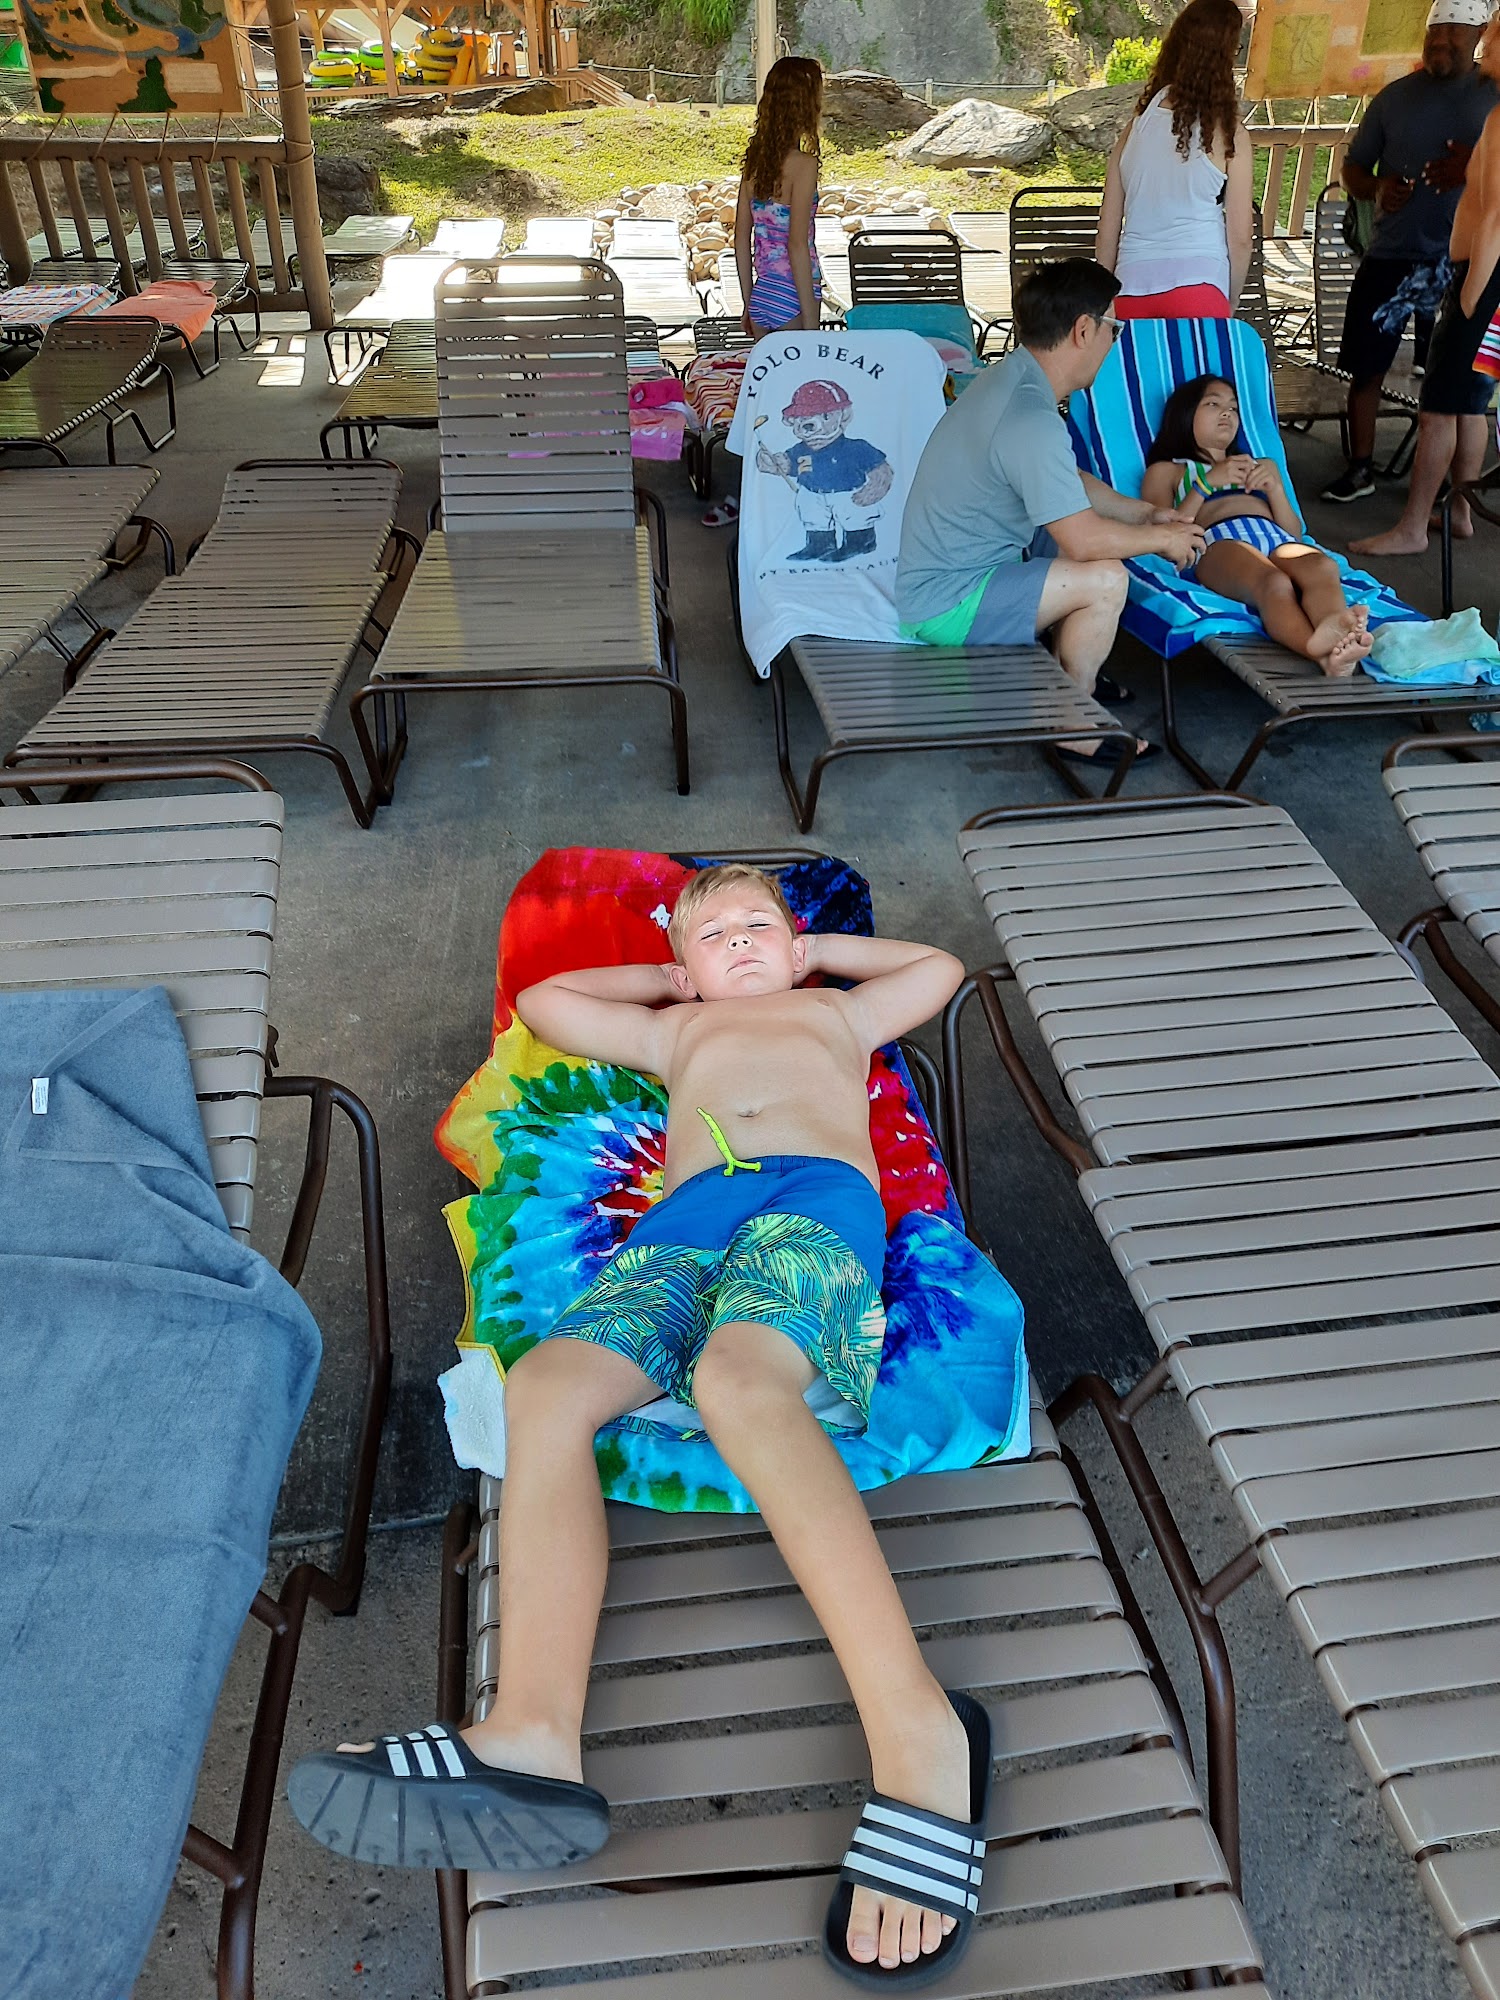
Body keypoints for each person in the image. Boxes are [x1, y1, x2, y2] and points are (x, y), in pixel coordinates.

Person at [288, 865, 990, 1984]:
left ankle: (921, 1735)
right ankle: (532, 1731)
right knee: (546, 1389)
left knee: (739, 1382)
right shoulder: (677, 1031)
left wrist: (817, 957)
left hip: (814, 1202)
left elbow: (938, 969)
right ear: (684, 967)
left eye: (762, 923)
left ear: (798, 946)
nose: (742, 938)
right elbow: (548, 1003)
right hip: (684, 1222)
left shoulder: (836, 1014)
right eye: (716, 933)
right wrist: (667, 981)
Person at [895, 257, 1205, 766]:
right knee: (1105, 579)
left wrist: (1143, 516)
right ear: (1084, 330)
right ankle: (1069, 723)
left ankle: (1070, 675)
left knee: (1073, 539)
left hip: (946, 574)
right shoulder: (1030, 416)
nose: (1114, 341)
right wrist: (1165, 540)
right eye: (1113, 328)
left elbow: (1064, 482)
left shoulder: (1013, 378)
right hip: (946, 603)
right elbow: (1083, 540)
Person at [1321, 0, 1497, 507]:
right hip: (1392, 255)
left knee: (1453, 387)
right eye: (1433, 35)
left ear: (1478, 36)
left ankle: (1450, 491)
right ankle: (1360, 467)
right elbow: (1353, 169)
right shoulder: (1393, 99)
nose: (1440, 44)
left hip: (1463, 266)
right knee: (1366, 367)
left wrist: (1473, 166)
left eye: (1453, 36)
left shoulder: (1494, 99)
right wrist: (1376, 187)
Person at [1141, 373, 1373, 674]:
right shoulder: (1168, 471)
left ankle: (1336, 636)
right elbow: (1163, 534)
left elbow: (1294, 533)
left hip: (1276, 538)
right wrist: (1205, 485)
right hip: (1218, 543)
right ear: (1183, 415)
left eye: (1233, 408)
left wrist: (1275, 489)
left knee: (1321, 566)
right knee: (1274, 582)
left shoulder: (1260, 465)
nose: (1227, 413)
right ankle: (1319, 653)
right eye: (1213, 404)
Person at [702, 55, 825, 530]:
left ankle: (746, 495)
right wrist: (811, 323)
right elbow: (797, 245)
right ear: (805, 104)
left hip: (765, 298)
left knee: (767, 402)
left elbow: (740, 239)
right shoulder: (804, 165)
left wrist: (749, 301)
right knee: (797, 407)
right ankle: (775, 504)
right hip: (795, 294)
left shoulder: (756, 163)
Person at [1095, 0, 1254, 320]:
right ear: (1225, 57)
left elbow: (1107, 228)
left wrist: (1103, 299)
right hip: (1201, 285)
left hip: (1131, 286)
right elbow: (1240, 237)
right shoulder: (1230, 134)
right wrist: (1231, 298)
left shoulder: (1136, 127)